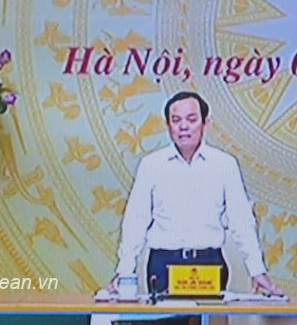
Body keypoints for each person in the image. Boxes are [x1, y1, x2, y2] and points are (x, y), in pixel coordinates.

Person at [110, 91, 284, 296]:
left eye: (191, 119)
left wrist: (257, 271)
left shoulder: (224, 164)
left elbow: (241, 221)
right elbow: (135, 222)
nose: (183, 126)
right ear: (168, 125)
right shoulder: (151, 165)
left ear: (205, 123)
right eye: (176, 120)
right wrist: (124, 271)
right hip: (163, 265)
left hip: (209, 264)